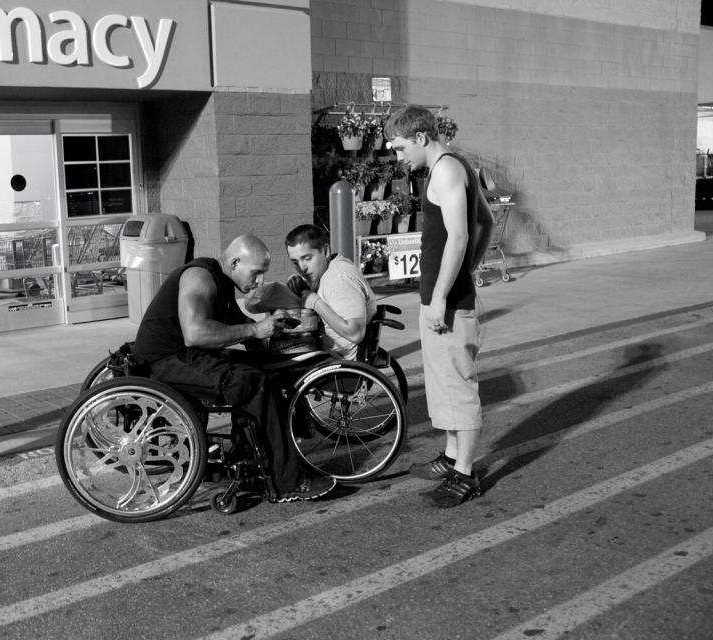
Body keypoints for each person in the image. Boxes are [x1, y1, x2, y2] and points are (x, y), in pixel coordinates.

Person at [131, 234, 337, 503]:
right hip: (164, 361)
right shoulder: (200, 277)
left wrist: (274, 337)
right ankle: (286, 483)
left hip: (188, 356)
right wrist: (255, 329)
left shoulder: (223, 282)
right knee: (252, 384)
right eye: (257, 272)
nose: (260, 281)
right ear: (235, 262)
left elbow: (244, 333)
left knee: (268, 373)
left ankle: (250, 466)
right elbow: (195, 333)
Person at [384, 105, 495, 507]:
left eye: (399, 148)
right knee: (445, 385)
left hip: (446, 302)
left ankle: (465, 474)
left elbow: (461, 235)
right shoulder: (455, 164)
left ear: (420, 137)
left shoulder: (447, 169)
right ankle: (451, 458)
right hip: (442, 296)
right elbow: (487, 223)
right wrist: (465, 272)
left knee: (458, 388)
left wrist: (443, 295)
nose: (399, 157)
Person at [283, 224, 377, 360]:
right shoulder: (328, 272)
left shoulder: (339, 277)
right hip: (326, 353)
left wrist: (316, 302)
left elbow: (355, 333)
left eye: (307, 258)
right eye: (295, 262)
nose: (302, 268)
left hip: (336, 363)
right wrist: (300, 284)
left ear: (326, 251)